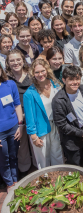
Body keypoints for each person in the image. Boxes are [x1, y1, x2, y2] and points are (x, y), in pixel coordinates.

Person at [52, 65, 83, 174]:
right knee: (75, 167)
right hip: (72, 140)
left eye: (77, 78)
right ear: (64, 80)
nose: (75, 82)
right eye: (71, 79)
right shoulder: (59, 100)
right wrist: (82, 134)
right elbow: (62, 125)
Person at [23, 59, 64, 169]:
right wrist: (33, 136)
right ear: (32, 73)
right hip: (40, 129)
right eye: (37, 72)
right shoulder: (29, 93)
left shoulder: (56, 85)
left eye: (42, 71)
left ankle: (60, 179)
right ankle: (45, 182)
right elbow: (29, 117)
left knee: (58, 155)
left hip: (56, 126)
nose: (40, 74)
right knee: (43, 158)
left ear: (47, 70)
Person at [5, 49, 32, 177]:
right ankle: (25, 168)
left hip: (32, 112)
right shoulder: (6, 79)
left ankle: (39, 166)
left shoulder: (31, 75)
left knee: (35, 140)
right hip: (17, 116)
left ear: (23, 60)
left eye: (18, 59)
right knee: (22, 144)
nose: (15, 63)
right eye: (12, 60)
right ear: (8, 63)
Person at [0, 63, 23, 192]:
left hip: (14, 127)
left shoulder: (10, 84)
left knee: (14, 156)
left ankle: (15, 180)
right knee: (4, 159)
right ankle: (9, 184)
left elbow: (17, 104)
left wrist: (20, 126)